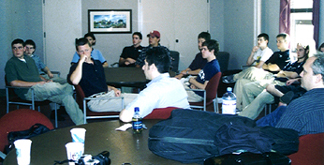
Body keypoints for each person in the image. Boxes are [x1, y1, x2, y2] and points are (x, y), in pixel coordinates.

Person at [5, 39, 84, 125]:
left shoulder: (30, 60)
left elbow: (36, 75)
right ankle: (71, 87)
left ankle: (82, 123)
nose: (17, 50)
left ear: (24, 49)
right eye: (14, 48)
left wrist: (45, 80)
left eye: (19, 48)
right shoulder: (11, 63)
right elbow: (13, 83)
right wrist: (37, 83)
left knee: (66, 97)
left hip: (41, 89)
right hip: (28, 91)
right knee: (58, 86)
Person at [256, 53, 324, 136]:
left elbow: (280, 140)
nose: (301, 74)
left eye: (305, 72)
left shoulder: (299, 106)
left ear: (318, 78)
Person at [238, 42, 309, 119]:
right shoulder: (292, 63)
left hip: (283, 85)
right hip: (274, 80)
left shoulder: (306, 64)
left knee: (262, 94)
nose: (298, 52)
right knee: (247, 87)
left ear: (307, 51)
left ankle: (244, 117)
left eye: (300, 50)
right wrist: (285, 73)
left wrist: (284, 73)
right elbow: (279, 73)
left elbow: (293, 75)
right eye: (297, 50)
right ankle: (248, 115)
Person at [119, 47, 190, 122]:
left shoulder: (153, 90)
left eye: (145, 64)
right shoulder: (176, 83)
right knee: (125, 96)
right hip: (184, 125)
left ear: (152, 67)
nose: (143, 68)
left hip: (167, 130)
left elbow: (125, 117)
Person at [234, 33, 290, 111]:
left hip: (270, 77)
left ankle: (234, 77)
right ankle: (239, 109)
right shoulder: (276, 54)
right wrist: (269, 66)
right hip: (263, 74)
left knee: (252, 69)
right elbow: (264, 66)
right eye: (277, 41)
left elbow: (275, 67)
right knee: (241, 82)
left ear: (286, 42)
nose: (277, 44)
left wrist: (270, 66)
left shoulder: (287, 55)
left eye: (280, 41)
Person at [68, 38, 126, 112]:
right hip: (95, 101)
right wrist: (81, 61)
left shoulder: (97, 63)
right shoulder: (76, 68)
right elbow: (75, 81)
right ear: (77, 52)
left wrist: (112, 88)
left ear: (91, 49)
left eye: (86, 50)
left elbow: (100, 85)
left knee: (138, 97)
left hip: (107, 95)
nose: (84, 53)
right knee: (133, 103)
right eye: (81, 51)